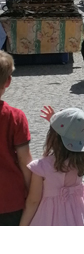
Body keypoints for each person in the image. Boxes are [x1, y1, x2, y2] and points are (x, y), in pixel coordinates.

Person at [20, 106, 84, 226]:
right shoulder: (80, 162)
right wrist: (59, 126)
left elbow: (33, 201)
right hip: (77, 215)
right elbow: (71, 135)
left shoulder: (41, 168)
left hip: (49, 218)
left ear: (52, 137)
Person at [0, 51, 32, 226]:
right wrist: (33, 191)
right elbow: (24, 160)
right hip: (10, 199)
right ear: (8, 81)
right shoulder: (15, 117)